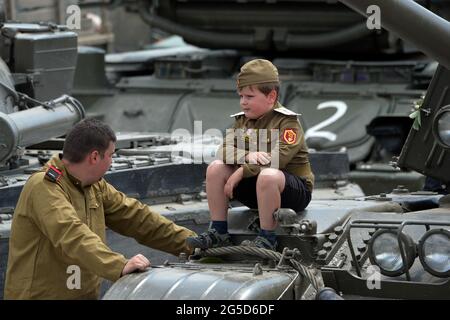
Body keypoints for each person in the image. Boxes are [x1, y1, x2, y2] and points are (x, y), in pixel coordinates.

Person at [4, 119, 196, 299]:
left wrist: (195, 245)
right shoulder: (44, 186)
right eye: (111, 155)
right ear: (95, 157)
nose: (112, 161)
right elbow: (71, 234)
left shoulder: (95, 186)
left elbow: (137, 218)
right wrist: (119, 265)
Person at [187, 59, 314, 251]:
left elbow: (278, 160)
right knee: (216, 168)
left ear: (271, 97)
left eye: (249, 96)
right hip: (257, 188)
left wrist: (241, 172)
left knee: (268, 175)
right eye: (241, 96)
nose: (243, 102)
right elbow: (223, 151)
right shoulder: (242, 122)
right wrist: (248, 156)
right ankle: (219, 232)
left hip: (292, 191)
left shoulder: (288, 123)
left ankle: (268, 238)